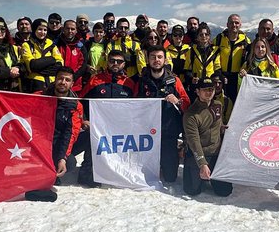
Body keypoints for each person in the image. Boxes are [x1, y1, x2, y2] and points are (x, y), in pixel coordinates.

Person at [79, 51, 138, 187]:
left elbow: (136, 106)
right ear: (107, 61)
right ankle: (89, 176)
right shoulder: (95, 79)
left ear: (124, 64)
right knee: (91, 160)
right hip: (98, 129)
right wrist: (84, 119)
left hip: (119, 130)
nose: (115, 64)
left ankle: (118, 174)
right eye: (112, 60)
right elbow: (80, 101)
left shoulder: (129, 83)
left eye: (119, 61)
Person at [136, 47, 190, 184]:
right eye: (153, 57)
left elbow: (187, 103)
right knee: (146, 176)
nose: (156, 60)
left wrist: (177, 101)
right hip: (147, 132)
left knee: (170, 177)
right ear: (148, 60)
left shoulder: (174, 80)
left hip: (168, 130)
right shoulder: (142, 80)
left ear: (165, 59)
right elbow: (133, 104)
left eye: (159, 57)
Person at [182, 77, 233, 197]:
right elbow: (194, 141)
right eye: (205, 90)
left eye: (211, 89)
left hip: (215, 153)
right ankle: (198, 174)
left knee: (224, 191)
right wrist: (202, 164)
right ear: (198, 91)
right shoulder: (191, 114)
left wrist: (222, 128)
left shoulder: (218, 105)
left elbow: (217, 123)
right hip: (199, 153)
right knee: (192, 190)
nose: (209, 92)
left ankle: (210, 175)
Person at [46, 66, 84, 183]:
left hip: (59, 143)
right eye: (60, 79)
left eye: (67, 80)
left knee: (70, 162)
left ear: (72, 84)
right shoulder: (39, 96)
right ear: (55, 80)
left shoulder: (76, 105)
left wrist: (63, 158)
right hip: (41, 143)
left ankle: (87, 174)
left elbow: (70, 133)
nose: (63, 82)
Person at [216, 14, 250, 118]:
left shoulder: (246, 41)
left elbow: (249, 59)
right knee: (222, 103)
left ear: (240, 25)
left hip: (238, 77)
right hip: (222, 76)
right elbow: (213, 56)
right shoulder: (219, 39)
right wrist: (219, 74)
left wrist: (245, 70)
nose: (234, 25)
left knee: (236, 103)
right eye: (231, 22)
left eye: (236, 23)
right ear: (227, 24)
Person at [21, 18, 64, 92]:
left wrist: (40, 67)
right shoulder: (27, 45)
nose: (42, 32)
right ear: (34, 30)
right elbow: (32, 65)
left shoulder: (51, 45)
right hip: (35, 83)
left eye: (45, 30)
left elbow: (60, 64)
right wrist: (51, 59)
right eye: (40, 29)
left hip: (51, 83)